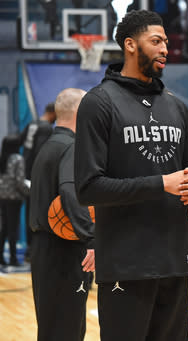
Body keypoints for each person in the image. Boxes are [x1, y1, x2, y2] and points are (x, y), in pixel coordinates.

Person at [74, 10, 188, 341]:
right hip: (125, 264)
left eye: (167, 41)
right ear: (130, 45)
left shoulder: (177, 107)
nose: (165, 48)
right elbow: (89, 188)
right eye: (157, 41)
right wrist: (163, 184)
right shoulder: (99, 103)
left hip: (176, 261)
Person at [29, 88, 95, 341]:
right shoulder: (73, 146)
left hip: (44, 249)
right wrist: (91, 238)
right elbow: (70, 193)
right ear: (81, 112)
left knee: (51, 327)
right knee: (68, 327)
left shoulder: (49, 145)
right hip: (65, 251)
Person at [19, 102, 56, 261]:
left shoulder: (32, 124)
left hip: (26, 176)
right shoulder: (46, 128)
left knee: (30, 213)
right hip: (37, 178)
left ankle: (30, 250)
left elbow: (22, 145)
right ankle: (35, 252)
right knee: (39, 214)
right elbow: (41, 154)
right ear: (53, 113)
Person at [0, 135, 29, 266]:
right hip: (14, 199)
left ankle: (1, 257)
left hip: (2, 197)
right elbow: (19, 181)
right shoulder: (18, 159)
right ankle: (13, 259)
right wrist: (29, 192)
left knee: (4, 228)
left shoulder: (2, 159)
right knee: (13, 229)